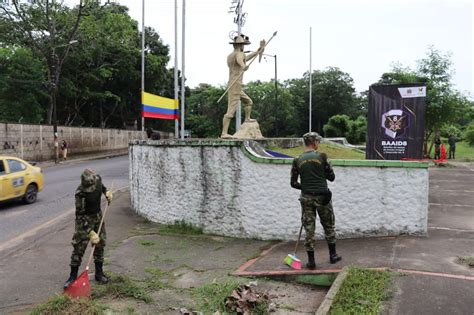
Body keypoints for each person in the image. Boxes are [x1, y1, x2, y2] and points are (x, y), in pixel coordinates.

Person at [290, 132, 342, 269]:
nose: (318, 144)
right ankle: (333, 255)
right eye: (317, 141)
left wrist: (306, 186)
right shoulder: (322, 157)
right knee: (328, 225)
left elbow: (293, 183)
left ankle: (311, 261)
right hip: (323, 196)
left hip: (306, 197)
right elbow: (331, 177)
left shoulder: (297, 159)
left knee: (309, 228)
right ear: (313, 142)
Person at [64, 169, 113, 289]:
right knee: (78, 247)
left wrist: (107, 193)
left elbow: (102, 188)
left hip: (97, 216)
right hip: (84, 220)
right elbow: (79, 216)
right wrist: (90, 232)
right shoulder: (80, 193)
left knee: (100, 244)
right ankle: (72, 276)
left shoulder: (98, 179)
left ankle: (99, 273)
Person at [221, 34, 265, 138]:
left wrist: (259, 50)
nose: (243, 47)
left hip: (235, 84)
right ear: (240, 45)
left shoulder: (230, 55)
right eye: (243, 45)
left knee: (248, 101)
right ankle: (224, 133)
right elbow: (240, 60)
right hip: (235, 85)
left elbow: (247, 57)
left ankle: (247, 118)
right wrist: (243, 65)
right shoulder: (239, 54)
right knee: (231, 110)